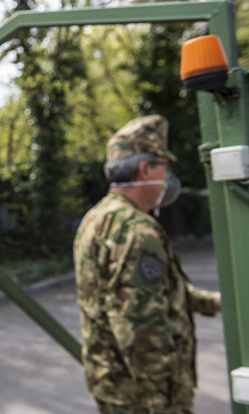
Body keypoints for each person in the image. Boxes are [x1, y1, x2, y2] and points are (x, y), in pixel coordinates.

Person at [73, 114, 221, 414]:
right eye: (165, 168)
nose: (168, 179)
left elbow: (155, 290)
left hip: (115, 386)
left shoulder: (96, 218)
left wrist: (210, 302)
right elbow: (140, 325)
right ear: (145, 169)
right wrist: (164, 401)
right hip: (144, 396)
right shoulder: (137, 231)